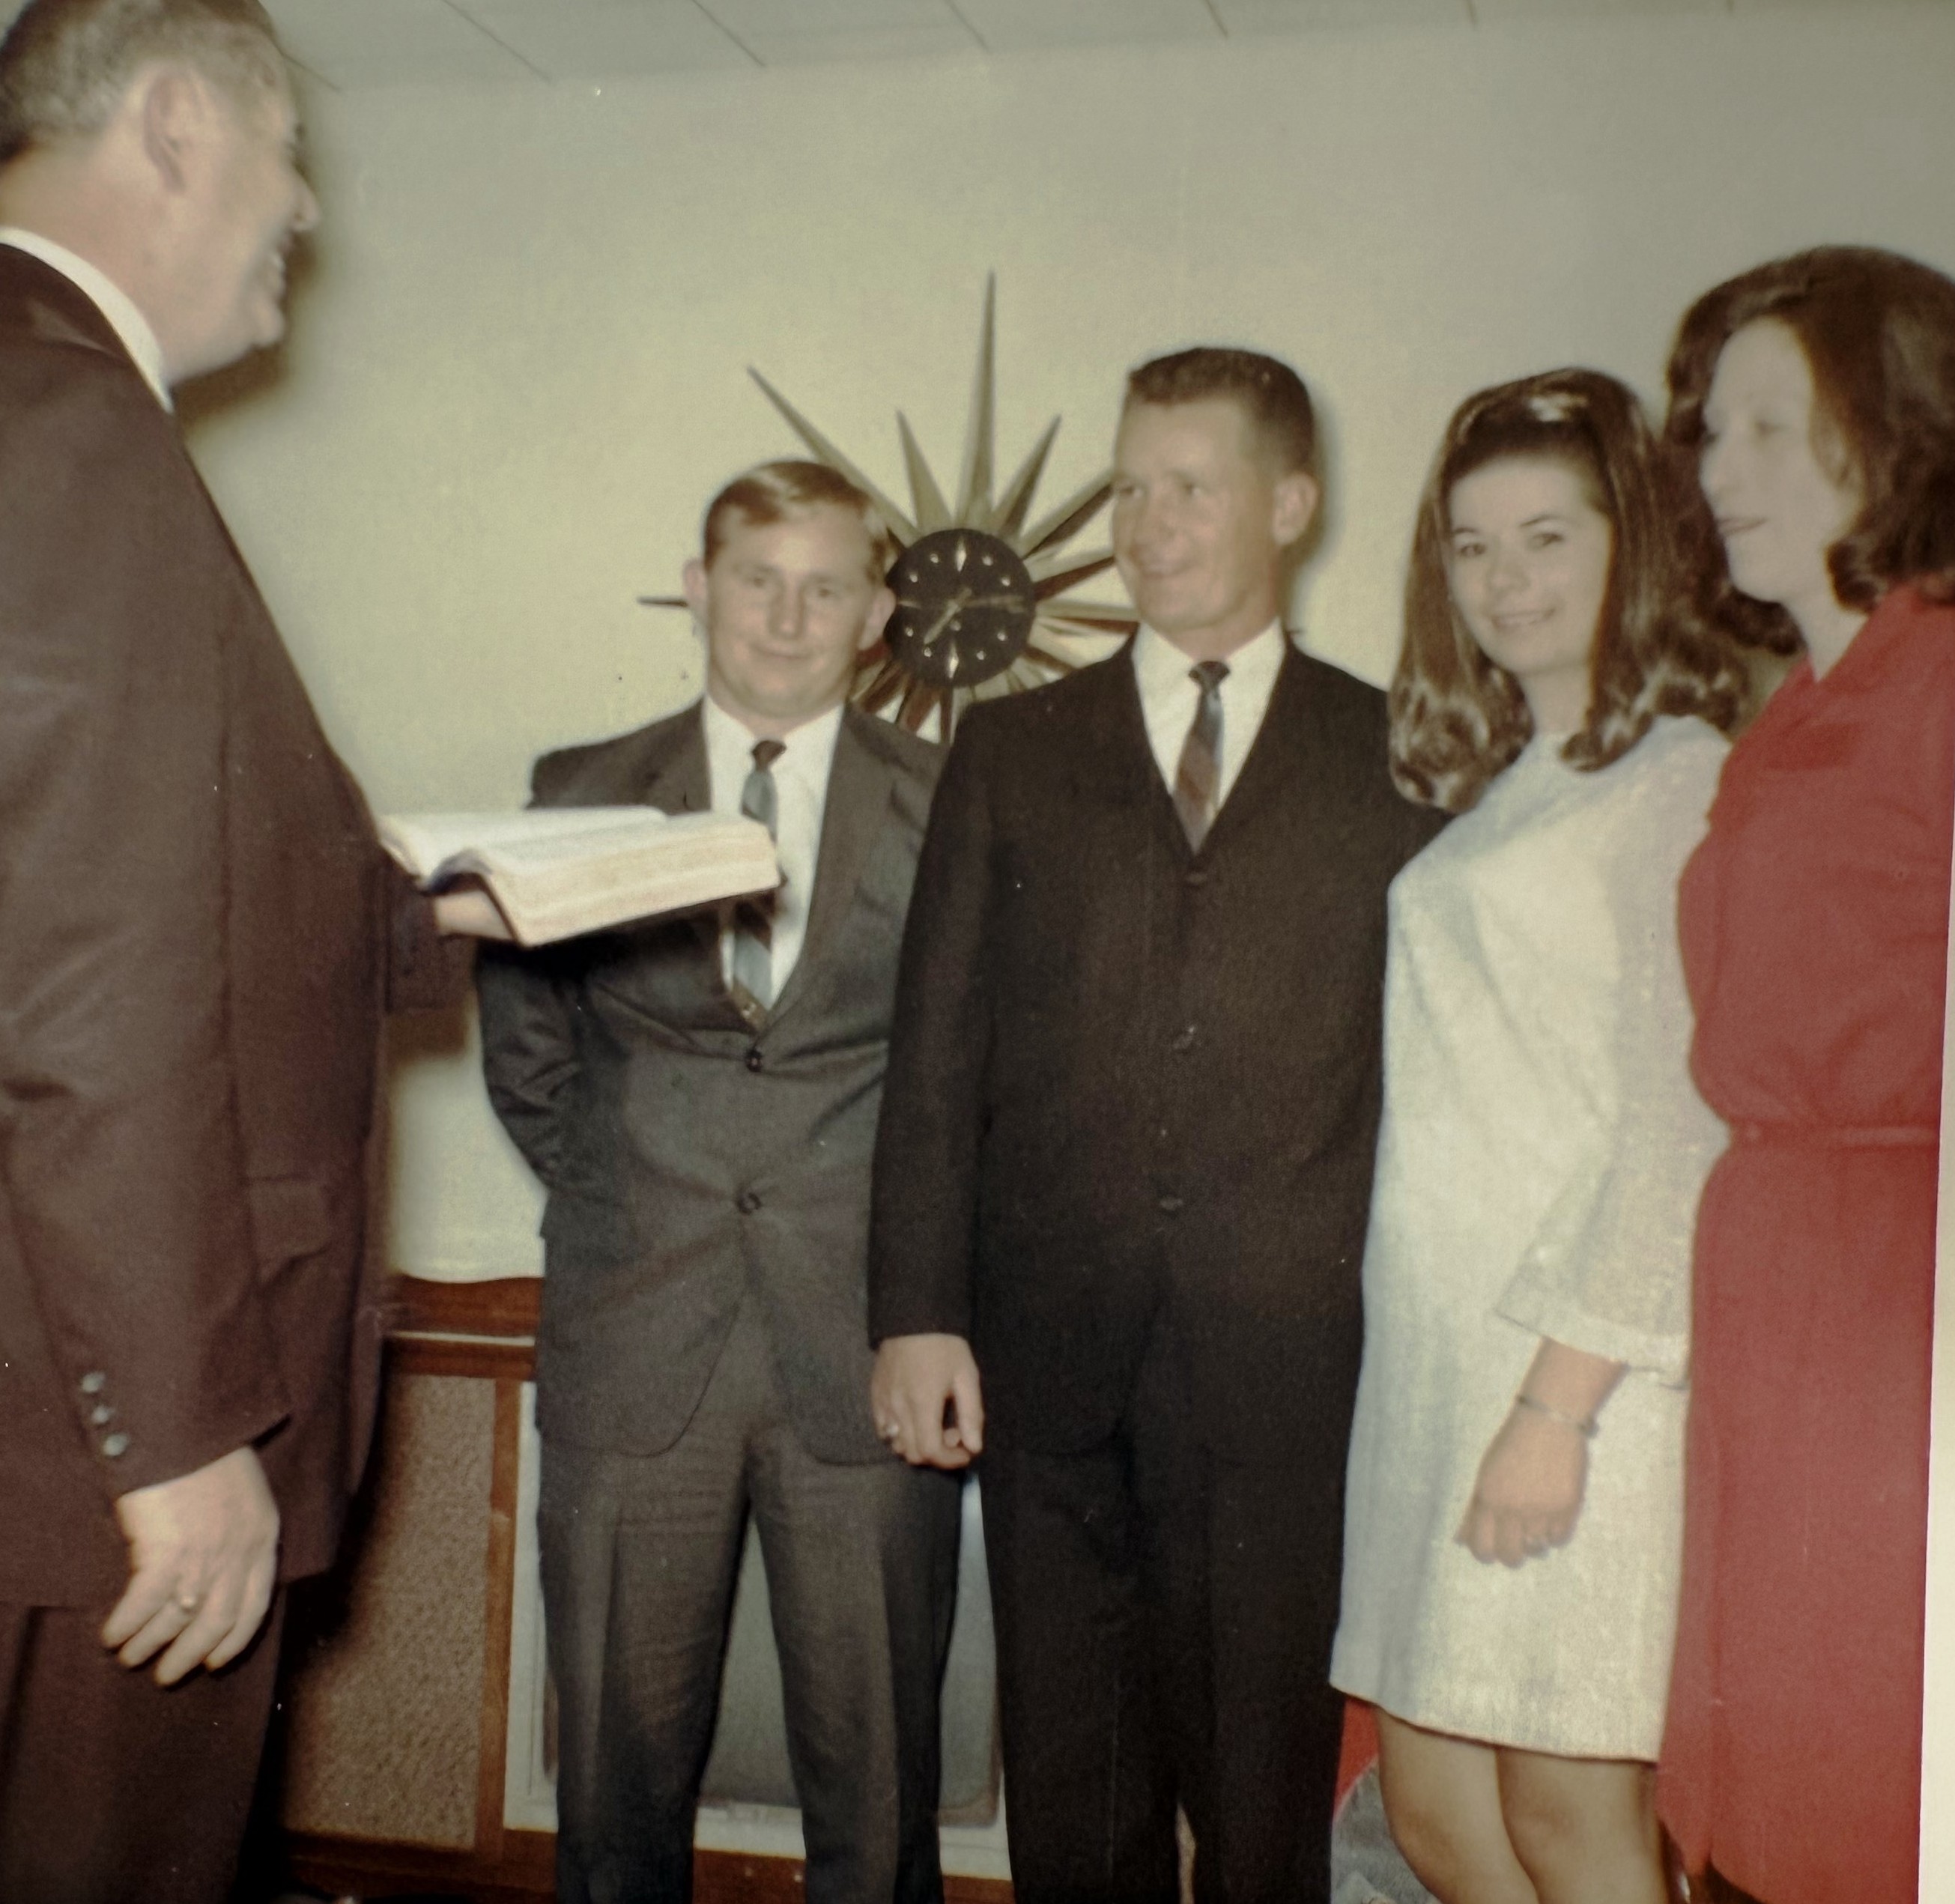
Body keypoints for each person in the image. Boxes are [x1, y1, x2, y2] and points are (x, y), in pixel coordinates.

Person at [0, 1, 490, 1898]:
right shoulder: (68, 423)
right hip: (93, 1453)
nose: (307, 207)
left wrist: (407, 906)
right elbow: (87, 984)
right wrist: (180, 1434)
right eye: (290, 154)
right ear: (177, 123)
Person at [869, 347, 1443, 1904]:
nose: (1147, 521)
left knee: (1263, 1810)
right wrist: (915, 1309)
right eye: (1129, 485)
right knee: (1075, 1799)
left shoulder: (1399, 756)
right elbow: (938, 1052)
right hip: (1048, 1361)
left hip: (1287, 1372)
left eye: (1191, 485)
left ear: (1292, 504)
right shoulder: (1013, 748)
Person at [477, 460, 962, 1904]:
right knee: (612, 1798)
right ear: (699, 588)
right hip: (636, 1338)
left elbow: (976, 1076)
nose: (787, 617)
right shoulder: (577, 793)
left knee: (878, 1796)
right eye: (758, 579)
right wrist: (630, 1204)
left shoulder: (950, 801)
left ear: (875, 613)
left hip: (864, 1346)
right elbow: (527, 1053)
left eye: (826, 587)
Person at [1327, 369, 1739, 1904]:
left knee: (1570, 1814)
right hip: (1437, 1366)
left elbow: (1675, 1123)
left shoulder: (1682, 778)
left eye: (1548, 536)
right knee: (1434, 1811)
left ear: (1636, 544)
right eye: (1472, 544)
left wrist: (1555, 1409)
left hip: (1578, 1377)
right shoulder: (1509, 785)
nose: (1505, 578)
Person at [1651, 246, 1955, 1904]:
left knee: (1860, 1777)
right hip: (1776, 1265)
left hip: (1897, 1283)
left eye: (1775, 423)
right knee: (1762, 1780)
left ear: (1898, 430)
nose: (1723, 467)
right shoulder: (1795, 704)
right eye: (1713, 428)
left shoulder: (1939, 680)